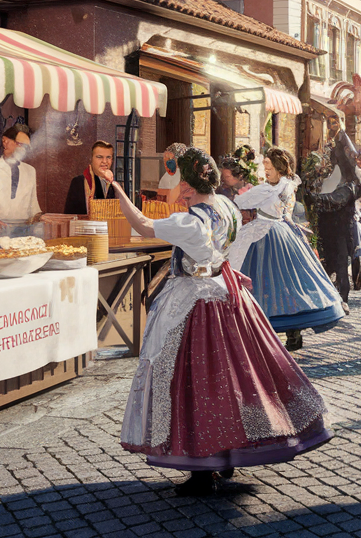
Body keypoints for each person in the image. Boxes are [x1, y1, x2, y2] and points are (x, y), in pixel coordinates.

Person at [111, 147, 332, 496]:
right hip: (227, 294)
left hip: (195, 300)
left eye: (180, 180)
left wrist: (118, 189)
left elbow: (140, 224)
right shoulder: (227, 205)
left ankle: (203, 466)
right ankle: (227, 456)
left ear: (186, 186)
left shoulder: (190, 222)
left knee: (196, 383)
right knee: (235, 378)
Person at [228, 147, 346, 351]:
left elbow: (238, 202)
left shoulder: (267, 189)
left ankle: (262, 331)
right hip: (286, 232)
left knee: (263, 279)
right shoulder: (289, 184)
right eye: (265, 167)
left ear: (279, 169)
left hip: (265, 232)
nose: (266, 172)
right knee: (289, 282)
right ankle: (293, 334)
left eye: (269, 168)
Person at [299, 131, 361, 305]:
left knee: (341, 265)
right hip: (325, 227)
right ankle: (326, 296)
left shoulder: (350, 178)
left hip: (341, 229)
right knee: (325, 263)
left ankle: (341, 299)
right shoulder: (329, 173)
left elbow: (339, 199)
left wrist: (315, 198)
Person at [63, 141, 116, 216]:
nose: (104, 161)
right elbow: (68, 215)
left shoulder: (114, 186)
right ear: (91, 159)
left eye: (108, 157)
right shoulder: (78, 183)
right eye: (99, 157)